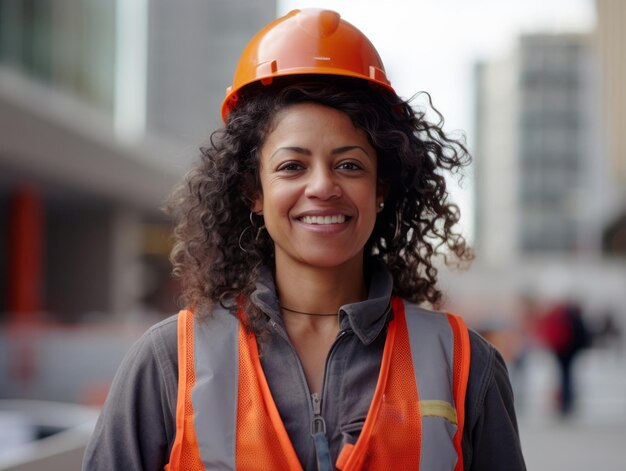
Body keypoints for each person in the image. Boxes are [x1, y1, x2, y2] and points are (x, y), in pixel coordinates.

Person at [83, 8, 525, 471]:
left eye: (349, 165)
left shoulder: (464, 364)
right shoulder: (170, 363)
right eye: (292, 166)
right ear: (253, 192)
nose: (322, 186)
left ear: (381, 191)